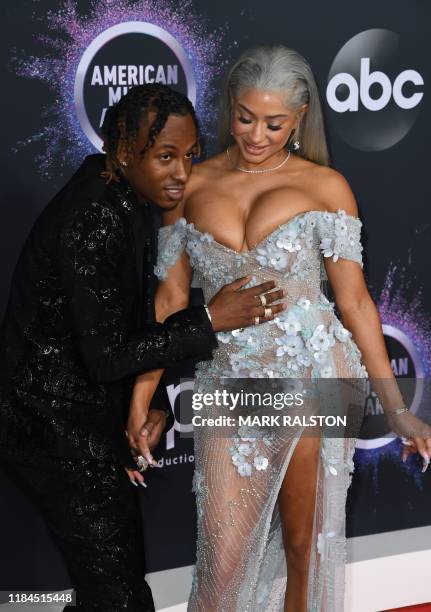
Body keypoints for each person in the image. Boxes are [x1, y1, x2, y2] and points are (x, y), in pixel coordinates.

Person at [132, 49, 431, 612]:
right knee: (221, 556)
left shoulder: (326, 187)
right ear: (229, 109)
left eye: (274, 123)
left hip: (312, 373)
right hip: (230, 381)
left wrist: (397, 409)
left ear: (299, 118)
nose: (257, 135)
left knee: (302, 545)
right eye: (246, 117)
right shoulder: (189, 185)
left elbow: (357, 304)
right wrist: (140, 398)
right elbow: (170, 299)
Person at [0, 84, 282, 611]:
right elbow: (106, 353)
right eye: (166, 157)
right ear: (126, 151)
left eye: (190, 156)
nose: (182, 174)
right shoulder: (94, 215)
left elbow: (116, 328)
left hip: (78, 419)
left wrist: (144, 405)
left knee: (111, 589)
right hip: (53, 433)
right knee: (120, 596)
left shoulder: (125, 197)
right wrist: (208, 318)